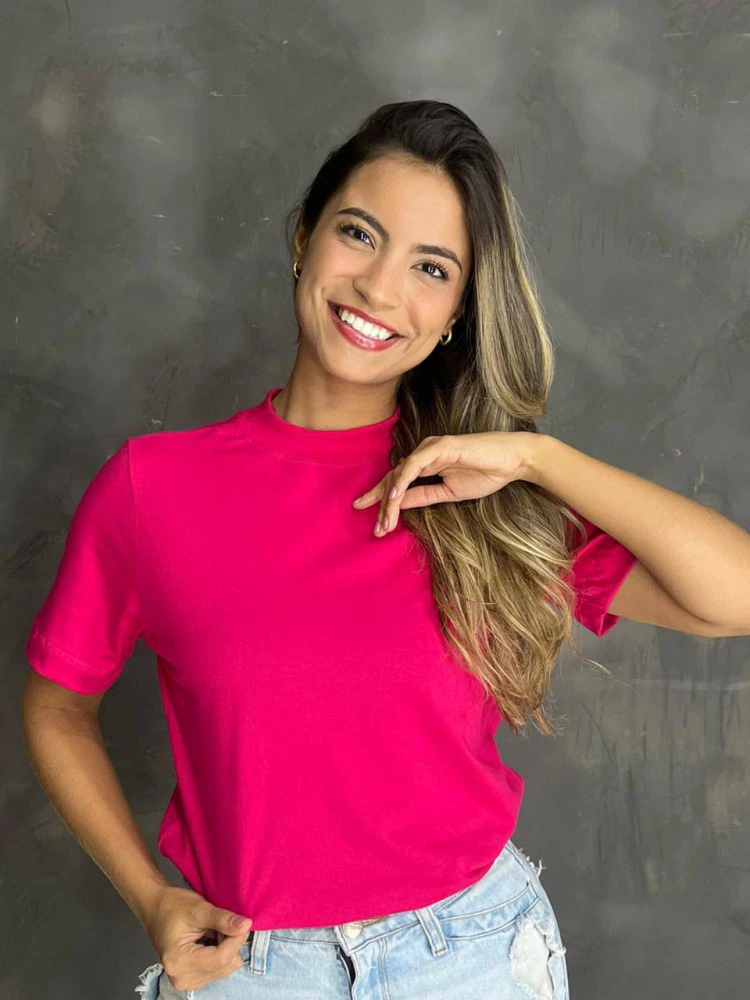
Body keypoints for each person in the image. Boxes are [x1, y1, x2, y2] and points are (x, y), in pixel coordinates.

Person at [22, 100, 644, 1000]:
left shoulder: (483, 494)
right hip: (250, 968)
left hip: (471, 956)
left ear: (457, 312)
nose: (380, 289)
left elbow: (733, 593)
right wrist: (150, 896)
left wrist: (537, 458)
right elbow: (57, 706)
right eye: (360, 234)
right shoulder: (151, 489)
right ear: (304, 237)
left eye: (430, 267)